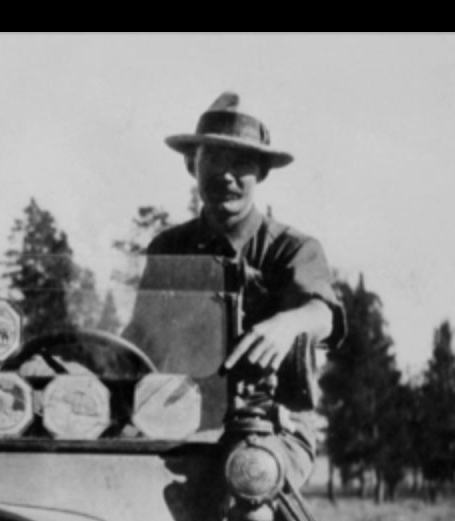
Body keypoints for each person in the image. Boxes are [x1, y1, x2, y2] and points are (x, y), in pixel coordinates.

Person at [126, 91, 345, 492]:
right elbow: (139, 338)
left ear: (261, 172)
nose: (225, 175)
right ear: (193, 165)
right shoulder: (169, 248)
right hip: (175, 418)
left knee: (253, 484)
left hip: (268, 426)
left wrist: (289, 323)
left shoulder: (291, 248)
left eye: (241, 162)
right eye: (213, 159)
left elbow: (324, 315)